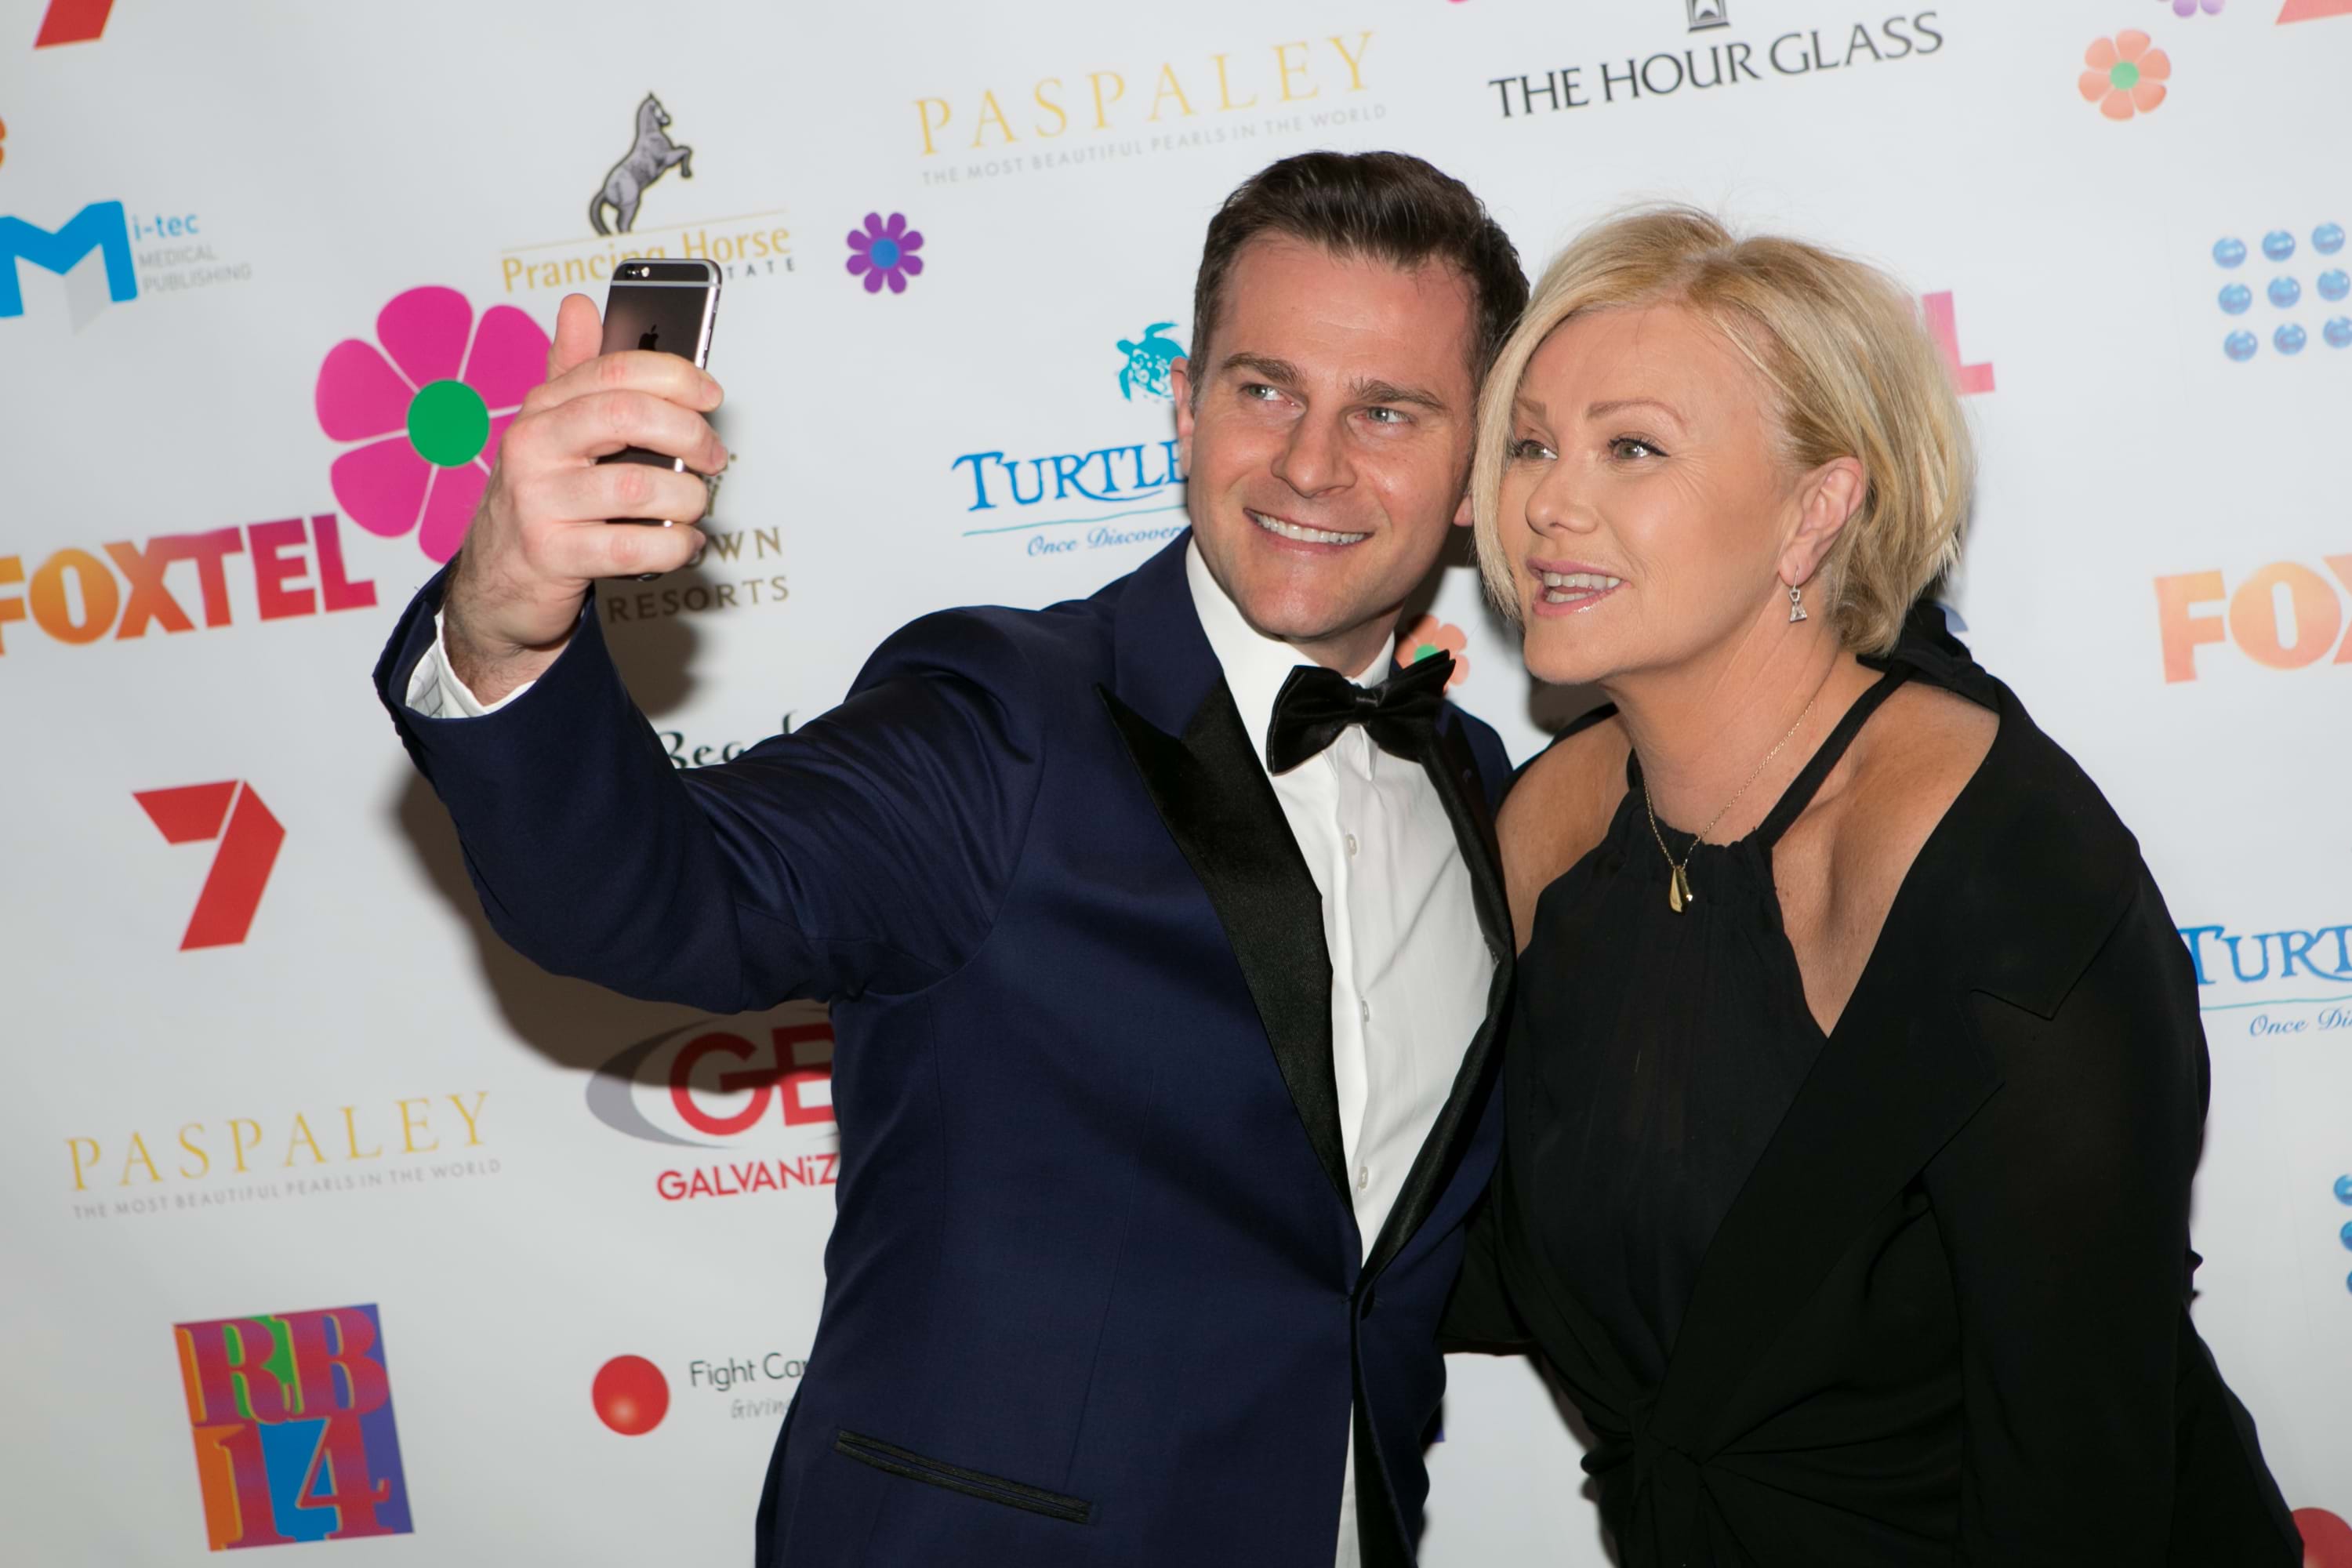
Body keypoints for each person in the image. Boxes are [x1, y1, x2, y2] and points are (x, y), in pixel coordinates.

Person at [373, 151, 1527, 1567]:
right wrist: (506, 623)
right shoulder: (1005, 717)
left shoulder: (1478, 783)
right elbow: (655, 900)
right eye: (1264, 388)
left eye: (1390, 412)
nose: (1309, 462)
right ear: (1183, 404)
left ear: (1477, 470)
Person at [1441, 207, 2299, 1566]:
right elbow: (1508, 1250)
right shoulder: (1548, 824)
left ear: (1815, 510)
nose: (1547, 499)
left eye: (1634, 447)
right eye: (1533, 442)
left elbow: (2080, 1453)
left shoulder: (1995, 872)